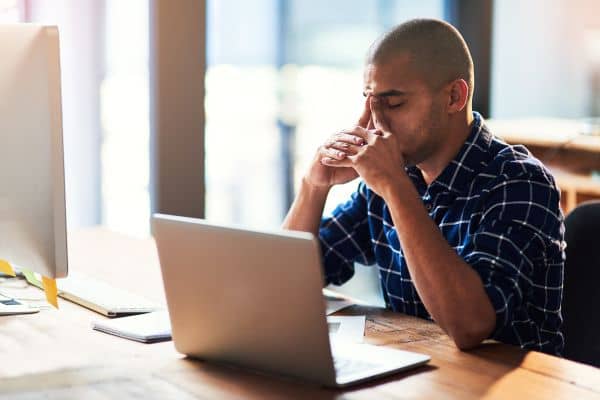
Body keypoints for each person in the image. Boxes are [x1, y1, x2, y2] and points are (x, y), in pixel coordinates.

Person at [282, 18, 565, 355]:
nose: (376, 124)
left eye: (394, 103)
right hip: (423, 377)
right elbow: (285, 283)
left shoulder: (519, 183)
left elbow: (470, 325)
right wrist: (313, 185)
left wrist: (395, 187)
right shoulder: (392, 181)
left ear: (454, 96)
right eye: (370, 101)